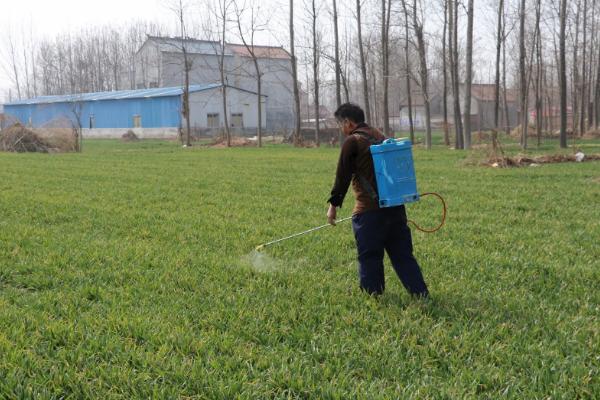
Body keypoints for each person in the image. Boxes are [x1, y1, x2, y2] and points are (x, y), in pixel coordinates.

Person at [327, 103, 429, 298]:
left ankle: (373, 298)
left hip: (369, 213)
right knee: (403, 256)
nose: (341, 129)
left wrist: (333, 207)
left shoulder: (353, 141)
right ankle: (420, 293)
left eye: (341, 124)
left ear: (348, 122)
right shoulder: (381, 136)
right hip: (395, 208)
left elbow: (342, 178)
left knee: (370, 257)